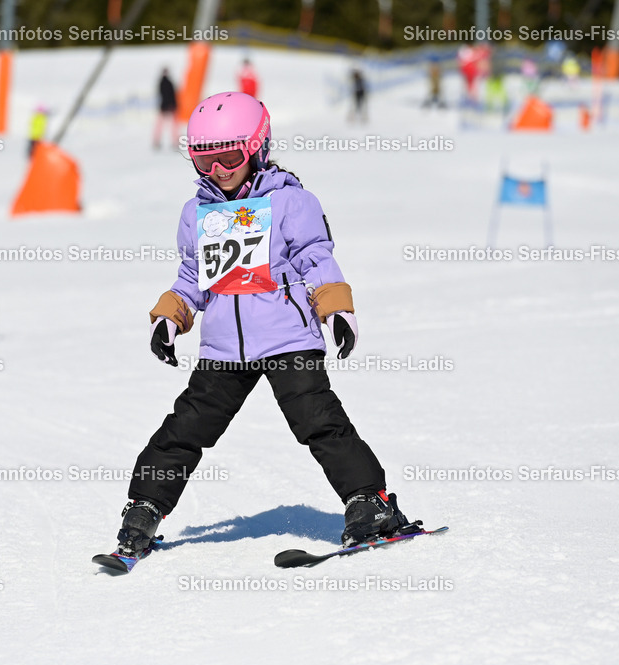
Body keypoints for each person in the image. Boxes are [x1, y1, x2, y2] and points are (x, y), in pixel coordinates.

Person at [108, 91, 423, 558]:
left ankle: (369, 504)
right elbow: (193, 277)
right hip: (222, 350)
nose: (217, 171)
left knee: (319, 422)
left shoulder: (290, 203)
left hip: (287, 337)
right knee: (185, 428)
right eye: (203, 159)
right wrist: (169, 318)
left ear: (258, 146)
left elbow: (316, 259)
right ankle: (144, 508)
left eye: (229, 157)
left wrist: (335, 310)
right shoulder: (197, 215)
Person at [153, 68, 178, 150]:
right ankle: (175, 142)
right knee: (172, 126)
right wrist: (172, 105)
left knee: (161, 125)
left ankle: (157, 141)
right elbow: (171, 95)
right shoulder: (168, 82)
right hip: (169, 106)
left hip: (163, 106)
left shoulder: (161, 82)